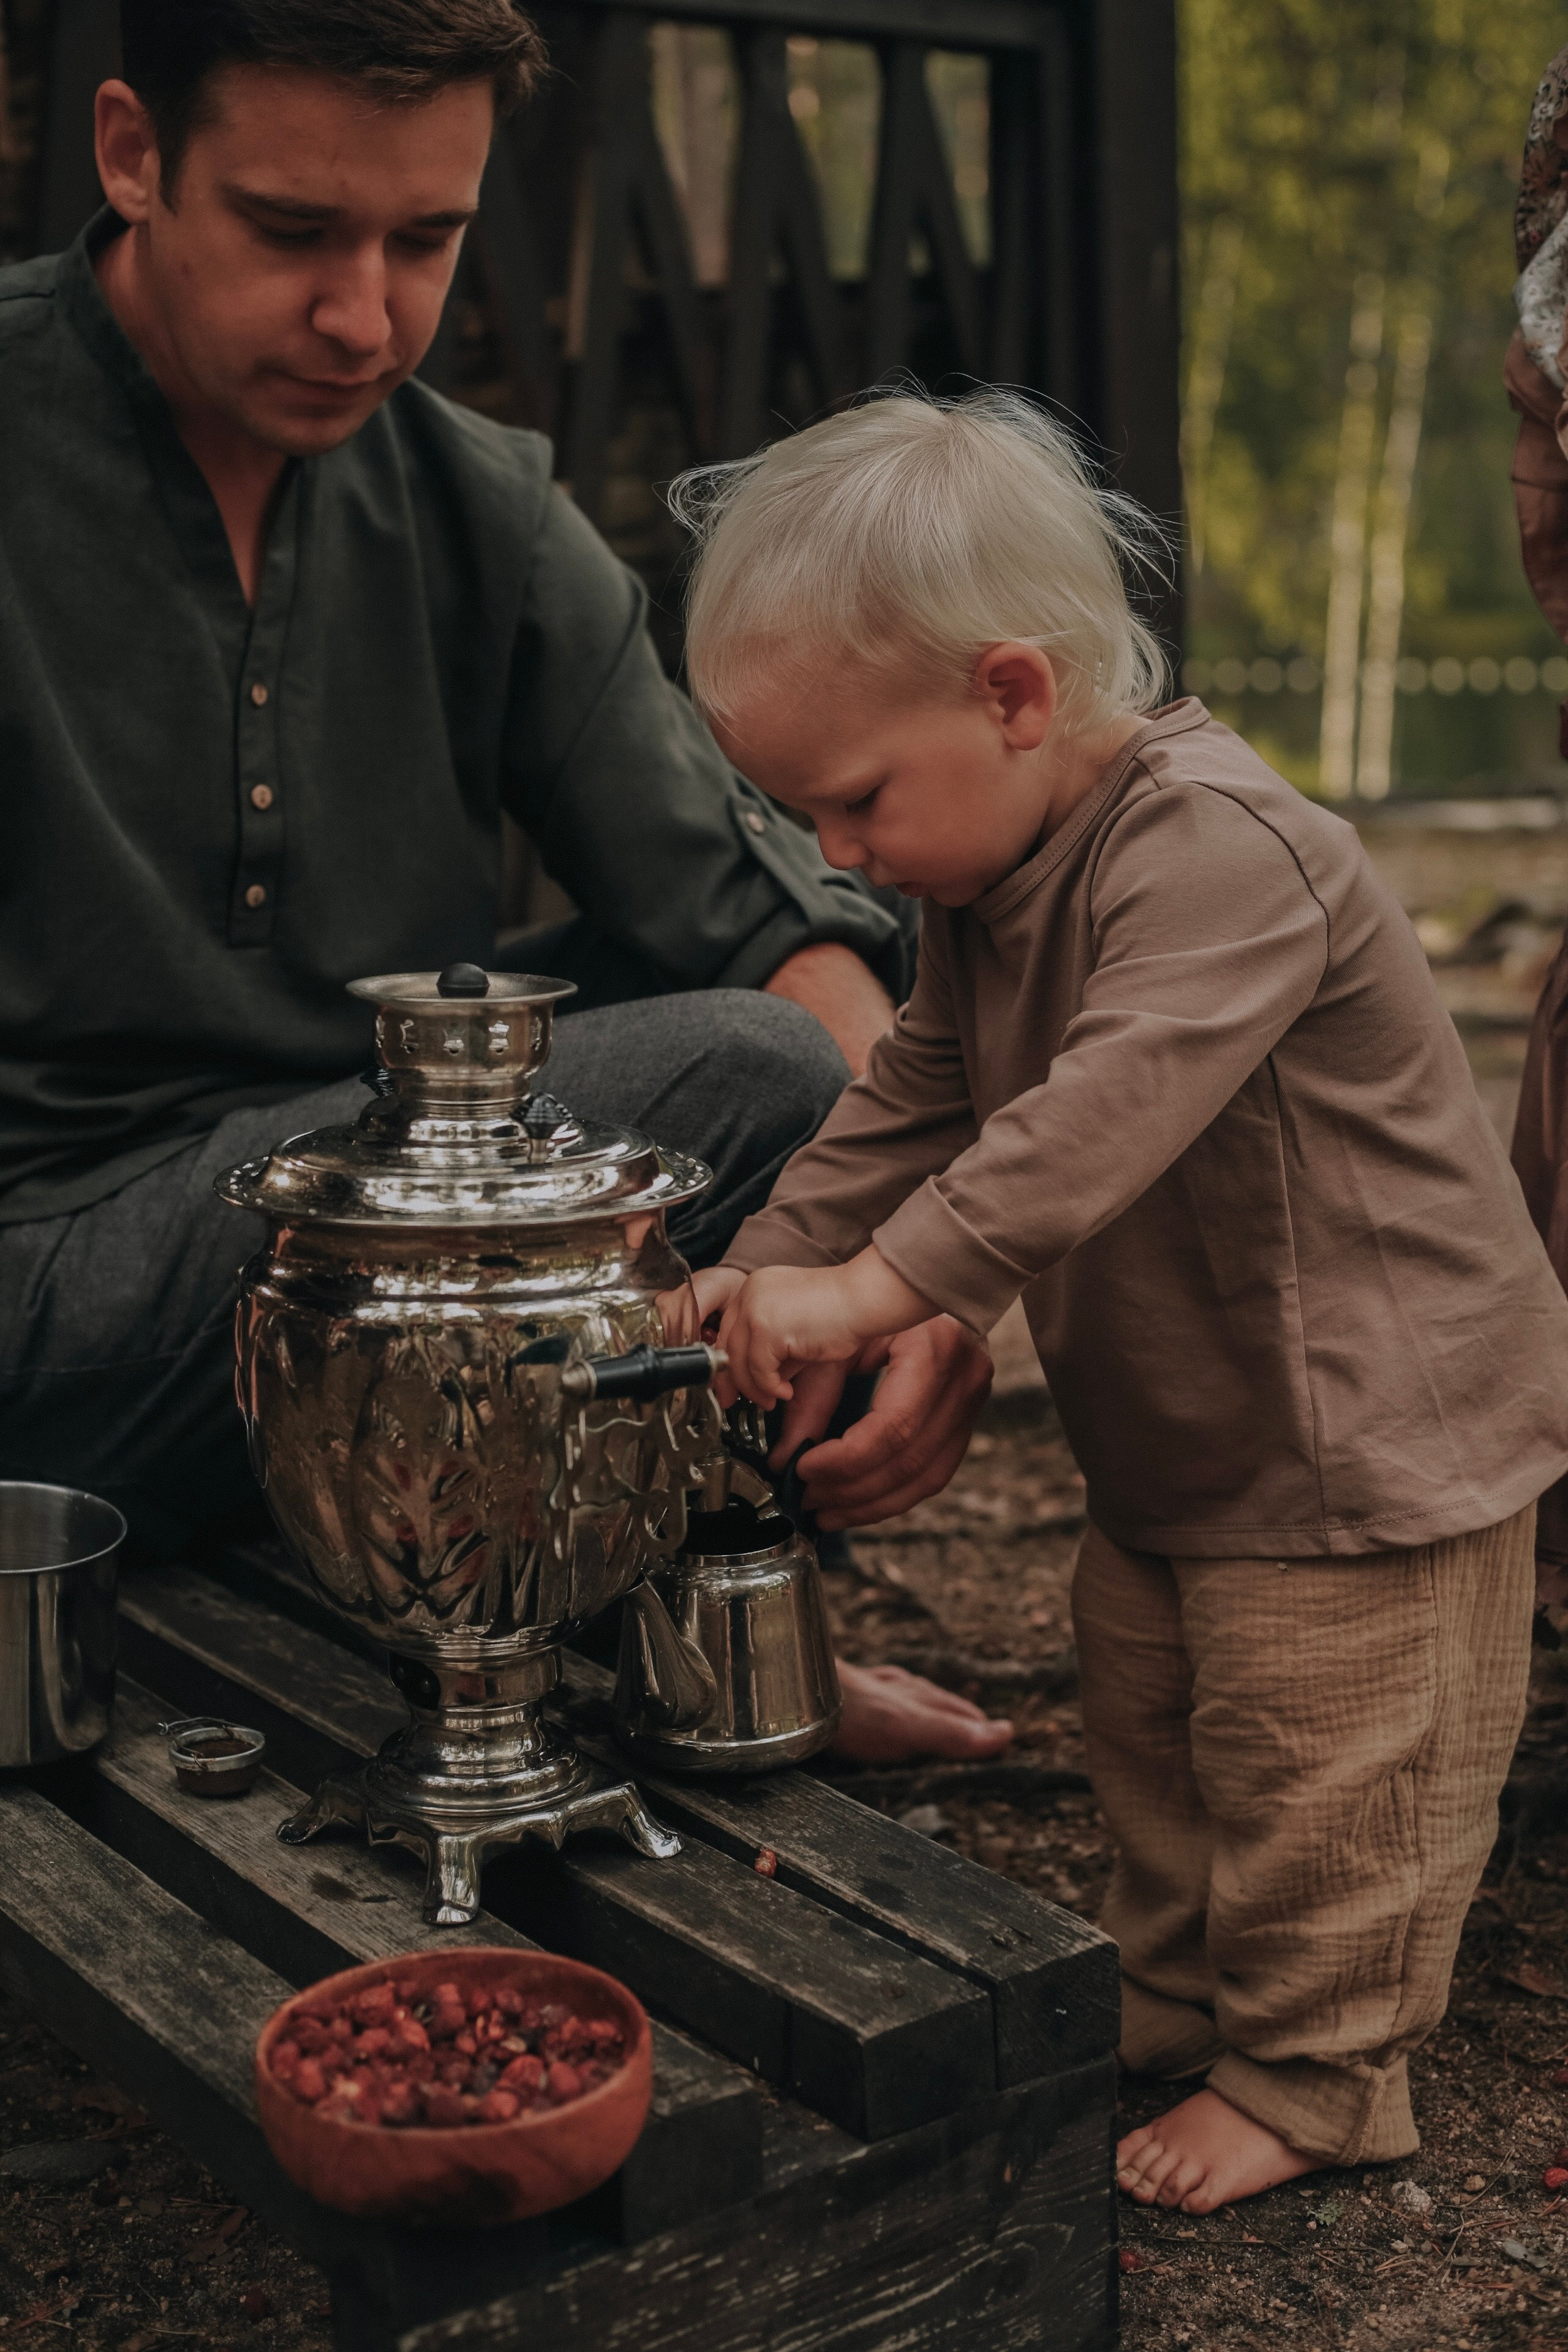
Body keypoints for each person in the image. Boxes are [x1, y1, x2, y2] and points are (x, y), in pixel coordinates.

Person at [0, 0, 1008, 1762]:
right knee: (748, 1065)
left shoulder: (475, 502)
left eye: (426, 239)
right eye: (295, 230)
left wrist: (922, 1264)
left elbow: (762, 919)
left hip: (367, 1263)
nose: (365, 316)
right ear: (134, 153)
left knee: (786, 1035)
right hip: (44, 1296)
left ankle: (719, 1623)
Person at [663, 385, 1568, 2211]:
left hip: (1369, 1440)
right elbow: (912, 1095)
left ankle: (1318, 2072)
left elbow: (1094, 1124)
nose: (834, 855)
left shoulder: (1226, 852)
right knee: (1154, 1728)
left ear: (1013, 694)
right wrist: (757, 1264)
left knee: (1328, 1763)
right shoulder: (989, 888)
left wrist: (875, 1293)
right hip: (1189, 1427)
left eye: (855, 799)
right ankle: (1183, 1997)